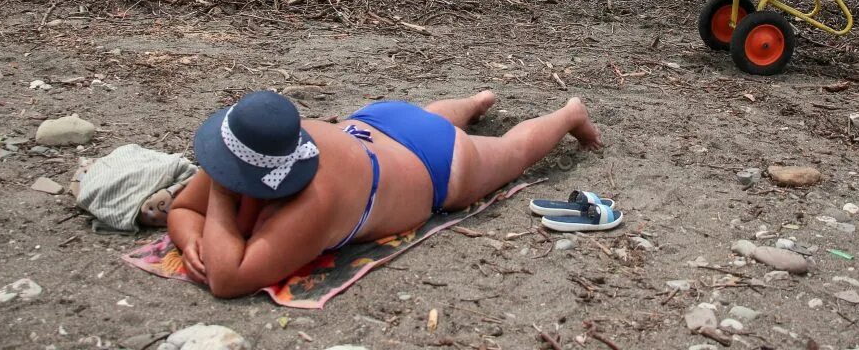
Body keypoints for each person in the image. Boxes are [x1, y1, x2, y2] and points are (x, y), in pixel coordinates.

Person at [168, 89, 602, 298]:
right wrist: (191, 240)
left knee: (512, 151)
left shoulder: (310, 203)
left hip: (438, 163)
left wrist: (221, 193)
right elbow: (184, 207)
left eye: (225, 172)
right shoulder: (260, 146)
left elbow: (228, 279)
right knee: (427, 119)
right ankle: (473, 103)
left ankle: (569, 113)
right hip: (378, 122)